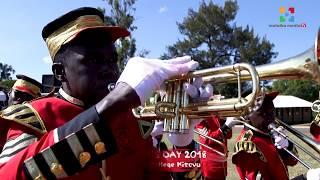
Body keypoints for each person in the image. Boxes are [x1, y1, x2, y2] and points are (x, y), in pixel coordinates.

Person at [0, 7, 198, 179]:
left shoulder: (134, 122)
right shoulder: (34, 119)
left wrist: (183, 144)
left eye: (113, 60)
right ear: (60, 72)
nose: (109, 69)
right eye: (93, 60)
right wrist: (112, 103)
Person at [232, 92, 299, 180]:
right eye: (263, 112)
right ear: (246, 116)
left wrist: (287, 145)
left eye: (272, 111)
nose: (271, 117)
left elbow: (293, 162)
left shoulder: (266, 133)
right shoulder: (247, 145)